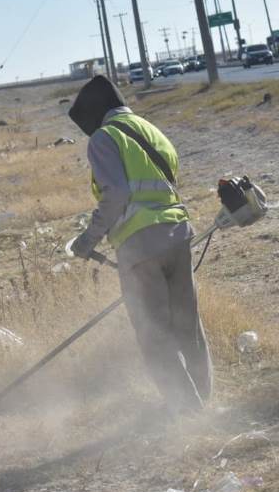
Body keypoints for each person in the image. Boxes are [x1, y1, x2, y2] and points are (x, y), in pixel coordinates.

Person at [67, 75, 211, 414]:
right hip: (177, 234)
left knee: (154, 332)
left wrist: (87, 240)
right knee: (188, 325)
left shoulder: (104, 137)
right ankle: (203, 401)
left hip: (139, 245)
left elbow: (116, 193)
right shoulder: (150, 129)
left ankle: (185, 411)